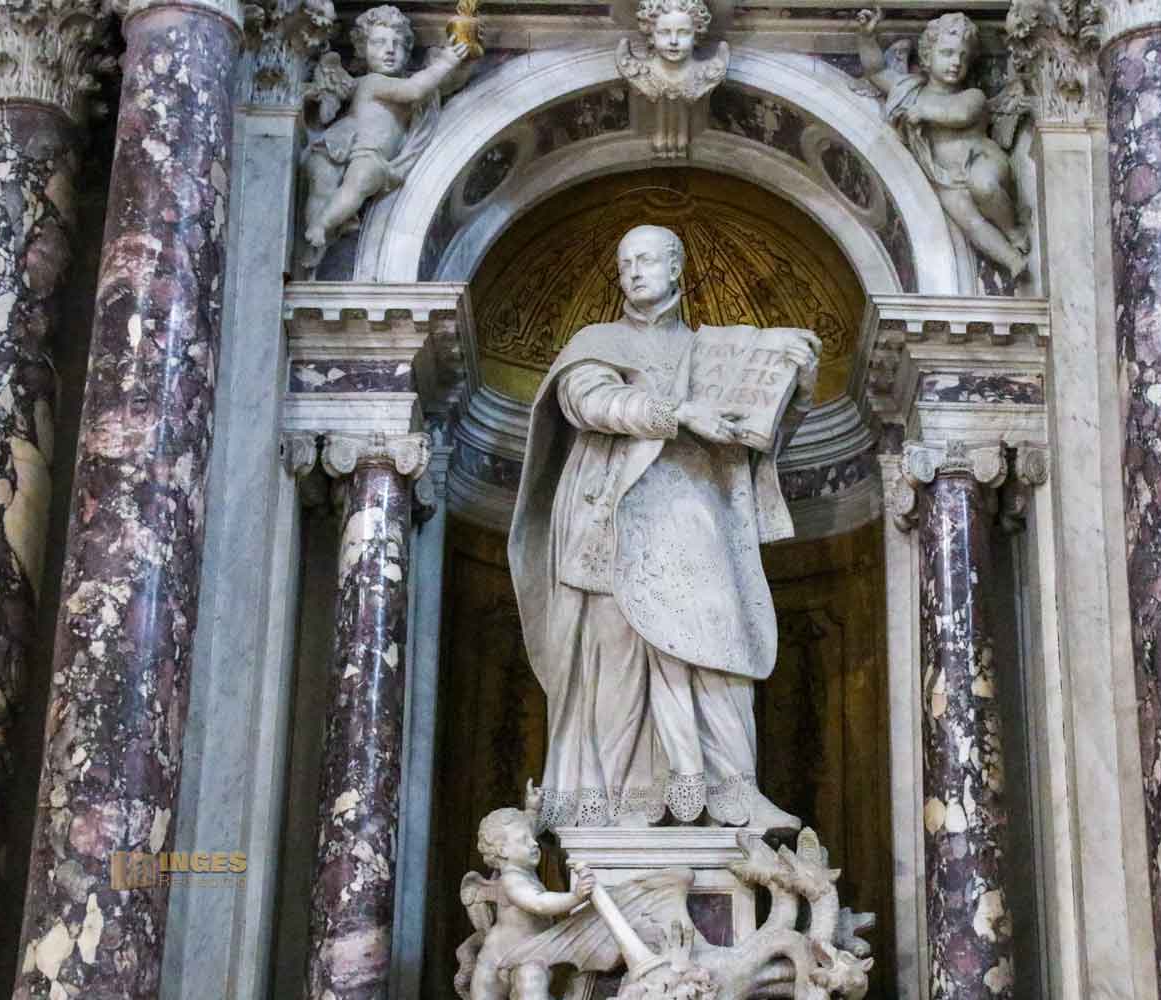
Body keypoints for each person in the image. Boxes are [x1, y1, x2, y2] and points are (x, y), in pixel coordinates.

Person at [508, 224, 817, 831]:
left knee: (718, 648)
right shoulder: (597, 341)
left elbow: (758, 432)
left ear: (677, 267)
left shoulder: (717, 350)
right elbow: (588, 402)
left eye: (647, 260)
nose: (634, 271)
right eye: (625, 263)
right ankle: (615, 808)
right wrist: (677, 414)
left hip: (695, 513)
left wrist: (797, 387)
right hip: (609, 519)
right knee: (616, 665)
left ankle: (732, 791)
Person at [857, 8, 1028, 278]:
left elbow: (960, 115)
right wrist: (867, 37)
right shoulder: (910, 91)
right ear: (927, 56)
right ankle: (1011, 259)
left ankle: (1013, 229)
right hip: (944, 177)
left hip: (980, 160)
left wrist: (924, 113)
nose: (956, 62)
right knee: (971, 223)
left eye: (963, 56)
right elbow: (876, 71)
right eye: (947, 53)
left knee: (983, 185)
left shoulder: (973, 96)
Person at [301, 5, 469, 258]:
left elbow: (423, 88)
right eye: (378, 43)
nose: (389, 50)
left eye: (397, 44)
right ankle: (316, 232)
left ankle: (322, 225)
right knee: (320, 177)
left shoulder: (392, 84)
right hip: (342, 140)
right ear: (361, 48)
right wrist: (444, 63)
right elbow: (414, 89)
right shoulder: (372, 81)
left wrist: (454, 62)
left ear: (407, 50)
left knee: (358, 181)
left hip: (369, 153)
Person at [462, 791, 596, 1000]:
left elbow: (526, 828)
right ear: (503, 850)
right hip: (494, 962)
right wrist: (575, 897)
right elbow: (539, 904)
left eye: (532, 838)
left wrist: (532, 810)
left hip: (529, 956)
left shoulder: (521, 867)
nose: (534, 843)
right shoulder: (511, 880)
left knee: (533, 984)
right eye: (525, 840)